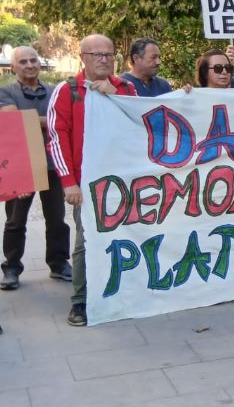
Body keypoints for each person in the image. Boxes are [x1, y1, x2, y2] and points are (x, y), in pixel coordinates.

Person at [47, 34, 137, 326]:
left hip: (124, 181)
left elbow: (141, 123)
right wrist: (68, 182)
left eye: (108, 54)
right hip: (86, 185)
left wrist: (114, 94)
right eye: (96, 54)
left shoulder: (126, 88)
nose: (103, 59)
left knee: (125, 235)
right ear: (83, 57)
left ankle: (121, 291)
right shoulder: (68, 90)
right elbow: (56, 138)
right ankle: (81, 301)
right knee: (86, 241)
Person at [0, 46, 71, 290]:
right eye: (23, 62)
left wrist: (33, 118)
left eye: (33, 60)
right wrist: (51, 120)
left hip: (53, 163)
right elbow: (14, 121)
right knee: (15, 221)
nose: (30, 65)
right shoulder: (5, 92)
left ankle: (59, 263)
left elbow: (66, 119)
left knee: (57, 219)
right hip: (22, 165)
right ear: (13, 67)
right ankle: (11, 267)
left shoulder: (54, 91)